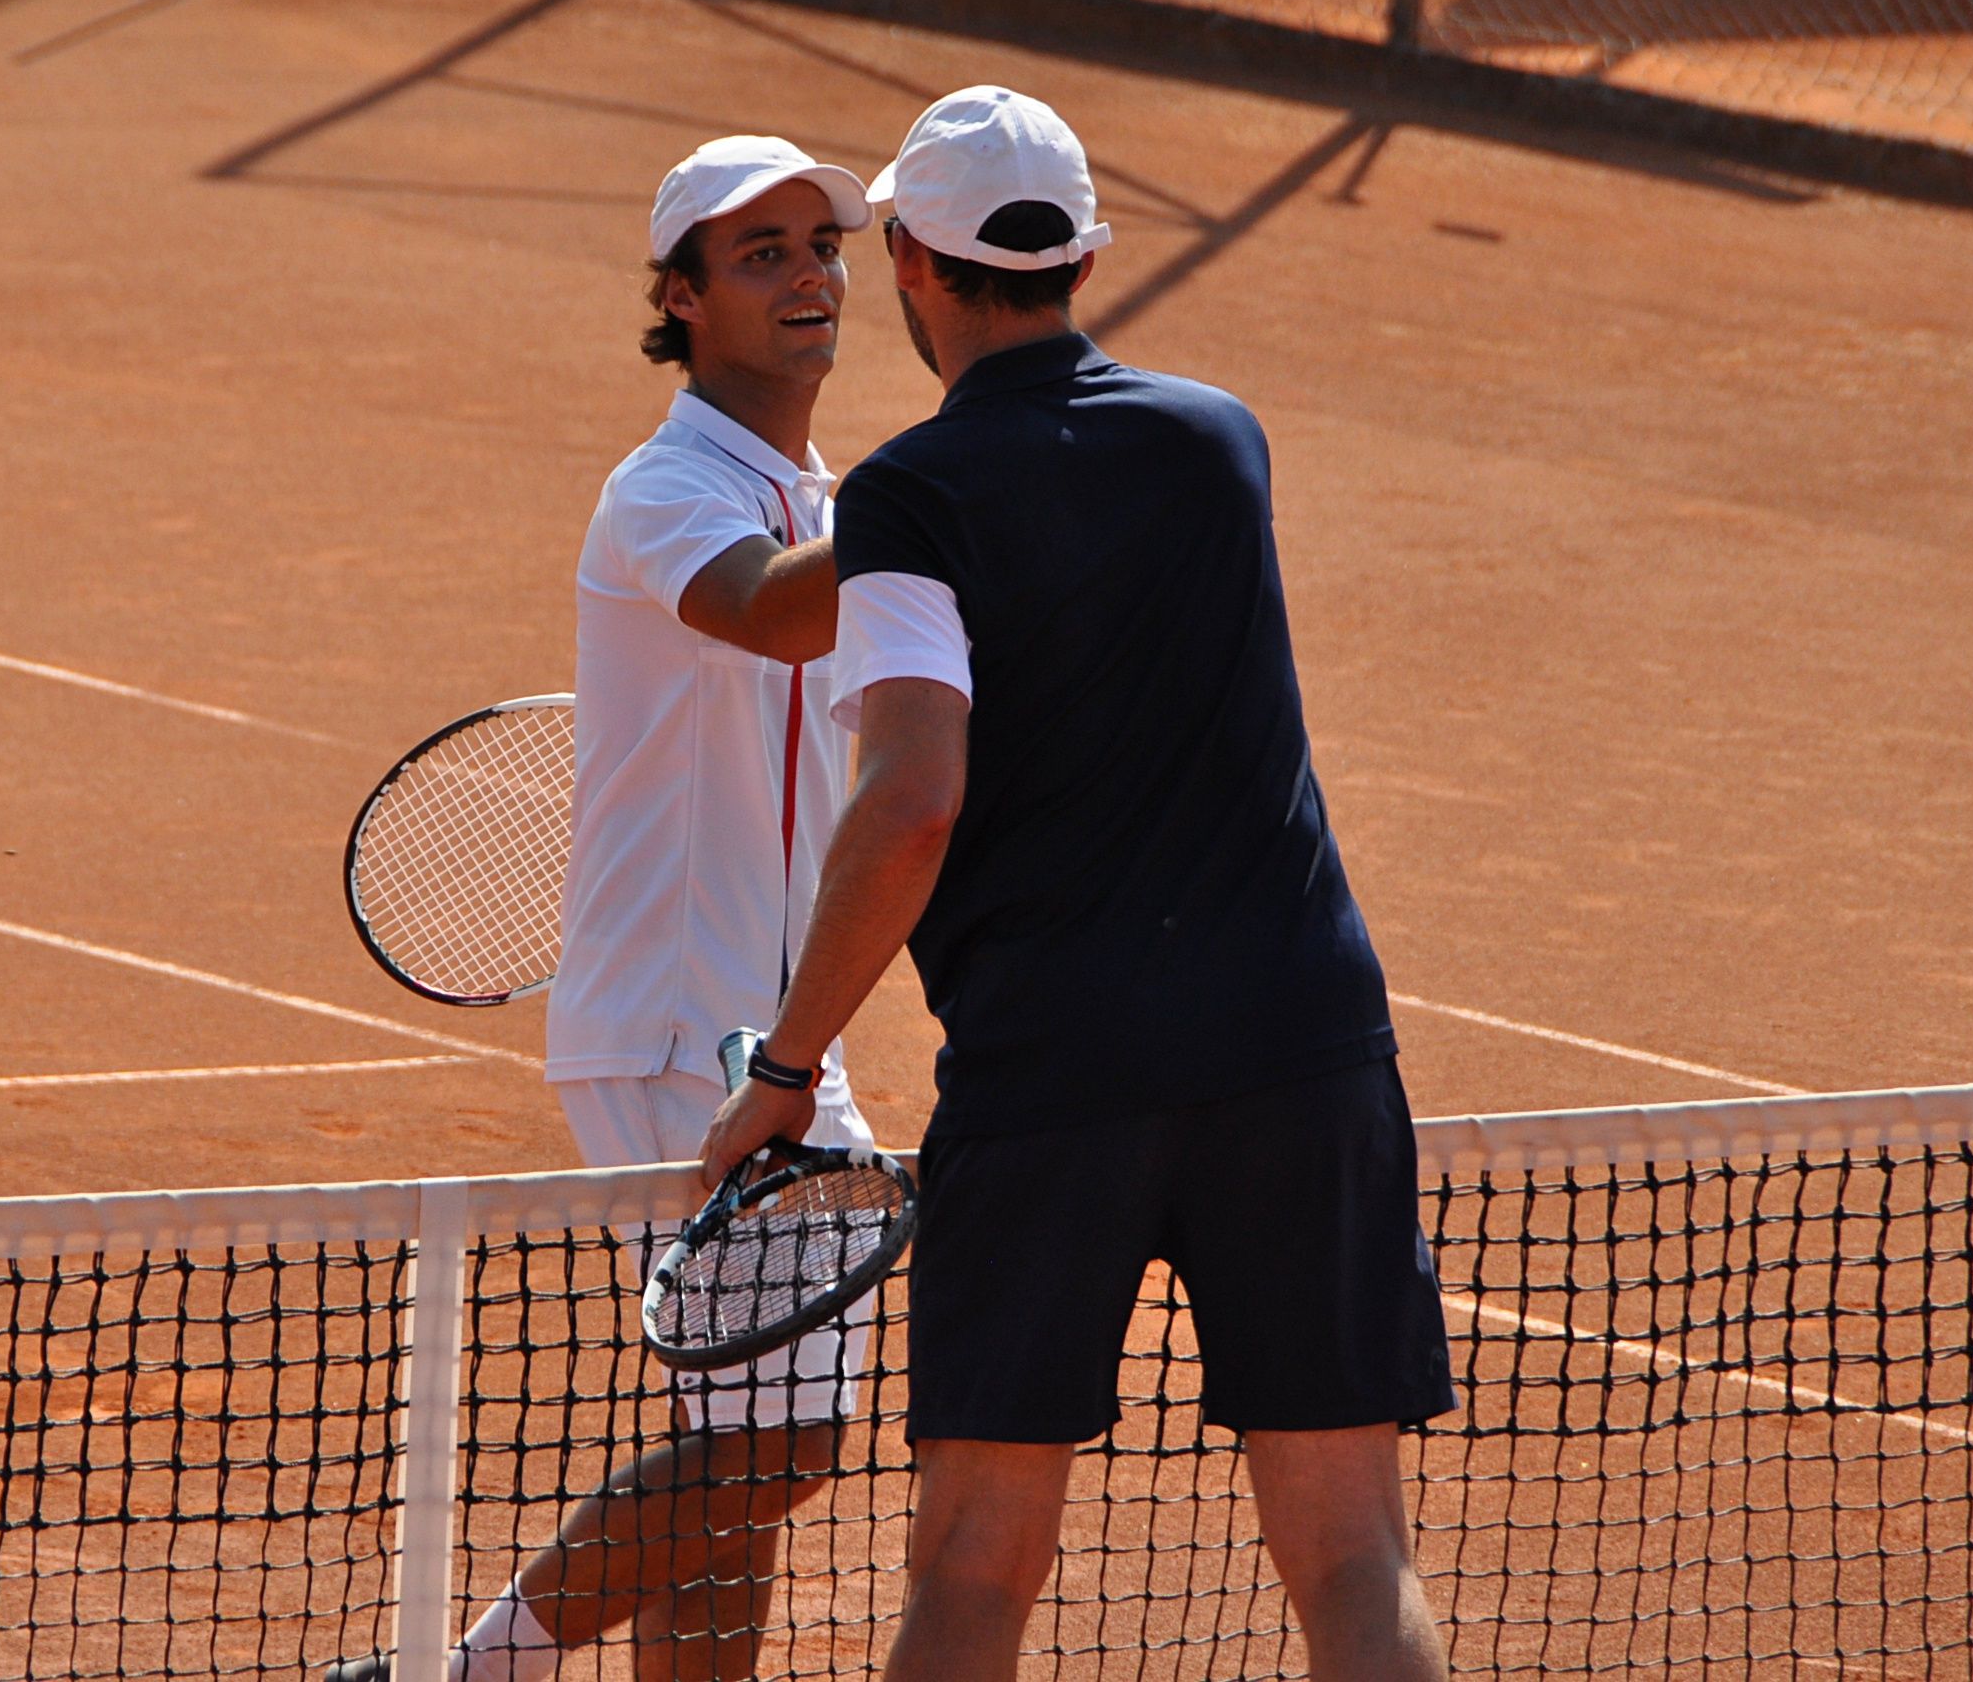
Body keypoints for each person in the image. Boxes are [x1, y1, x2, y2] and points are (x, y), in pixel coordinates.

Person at [699, 86, 1458, 1682]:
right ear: (1085, 260)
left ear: (911, 261)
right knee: (1354, 1551)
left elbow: (913, 796)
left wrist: (787, 1066)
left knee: (975, 1565)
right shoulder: (1220, 440)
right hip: (1300, 1049)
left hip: (1058, 1069)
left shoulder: (912, 496)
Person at [340, 135, 882, 1682]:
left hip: (779, 1030)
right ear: (680, 298)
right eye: (762, 254)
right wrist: (957, 503)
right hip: (675, 1028)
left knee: (742, 1470)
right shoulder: (667, 491)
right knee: (780, 1442)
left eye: (822, 246)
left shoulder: (821, 493)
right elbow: (767, 611)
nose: (809, 276)